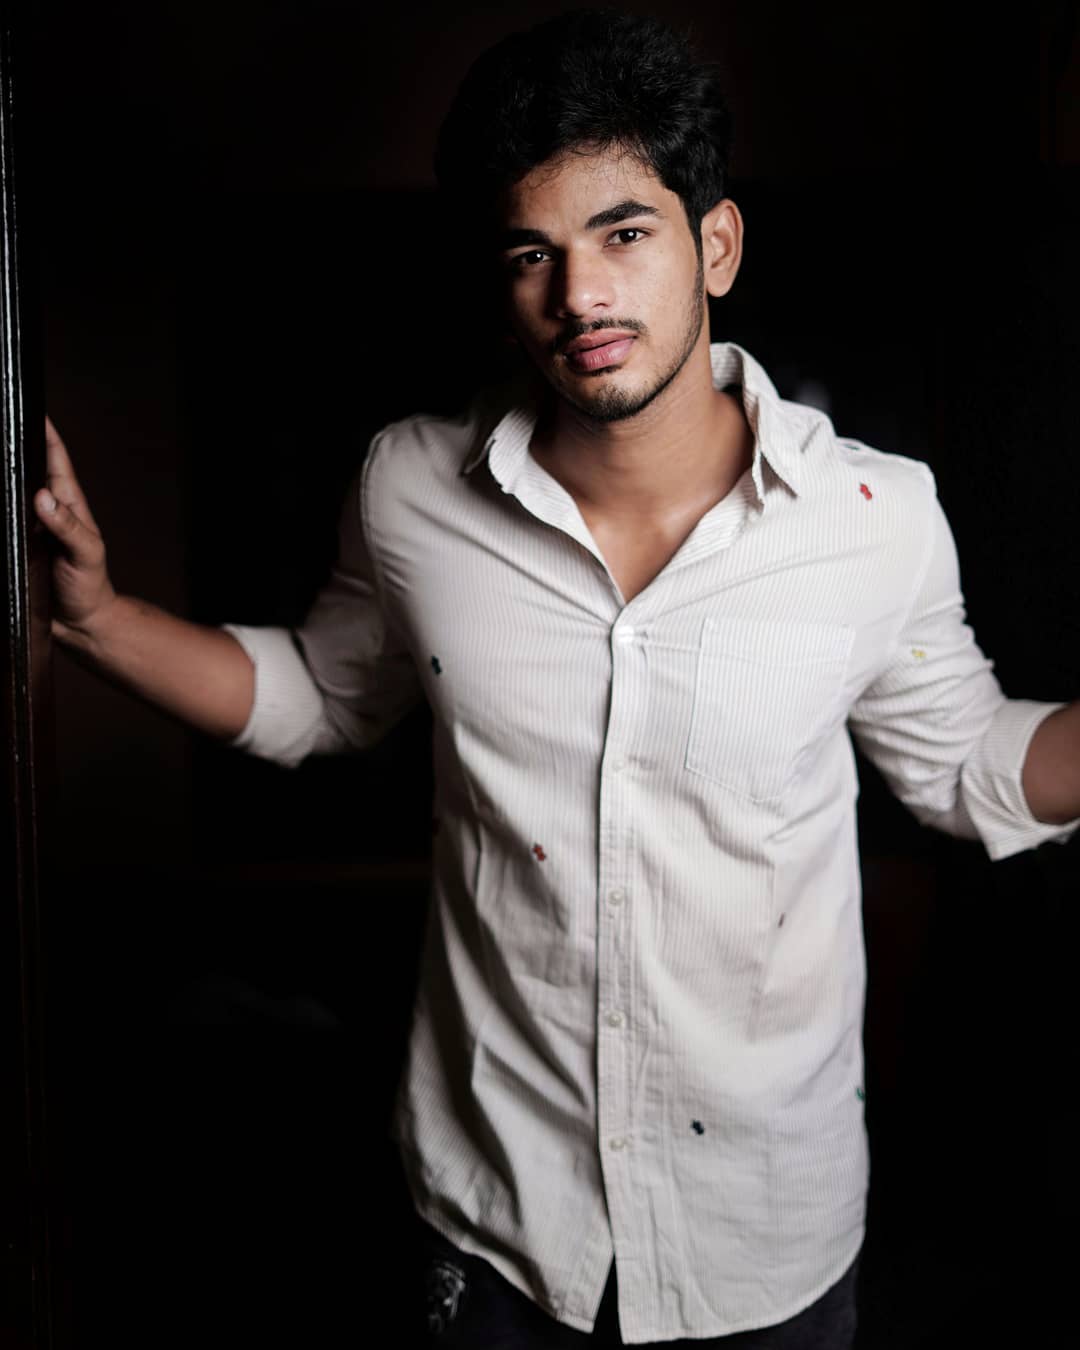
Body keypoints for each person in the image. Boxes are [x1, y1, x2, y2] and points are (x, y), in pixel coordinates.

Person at [34, 8, 1079, 1347]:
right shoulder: (411, 486)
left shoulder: (877, 518)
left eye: (624, 234)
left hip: (766, 1239)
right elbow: (325, 696)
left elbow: (970, 765)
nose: (579, 295)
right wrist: (100, 617)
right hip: (494, 1226)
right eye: (534, 253)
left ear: (716, 245)